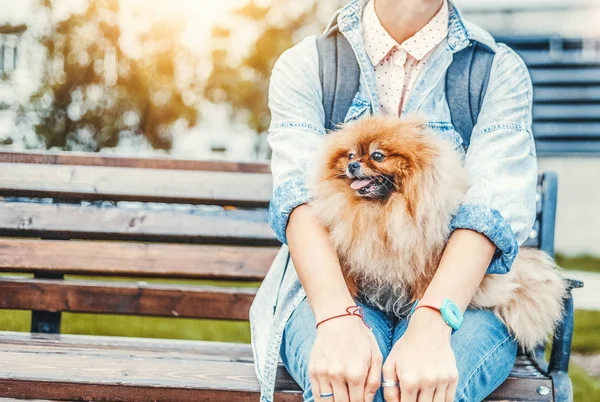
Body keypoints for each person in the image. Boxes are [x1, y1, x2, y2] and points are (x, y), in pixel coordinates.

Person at [250, 0, 537, 401]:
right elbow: (301, 200)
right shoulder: (309, 64)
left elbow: (488, 213)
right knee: (346, 386)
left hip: (460, 293)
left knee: (415, 389)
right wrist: (335, 317)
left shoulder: (493, 70)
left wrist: (432, 324)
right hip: (334, 285)